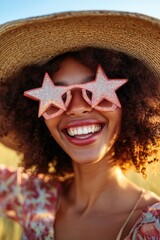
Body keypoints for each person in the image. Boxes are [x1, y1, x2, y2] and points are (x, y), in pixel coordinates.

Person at [0, 10, 160, 240]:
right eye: (56, 95)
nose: (76, 107)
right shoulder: (33, 197)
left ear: (129, 101)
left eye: (95, 91)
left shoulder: (154, 227)